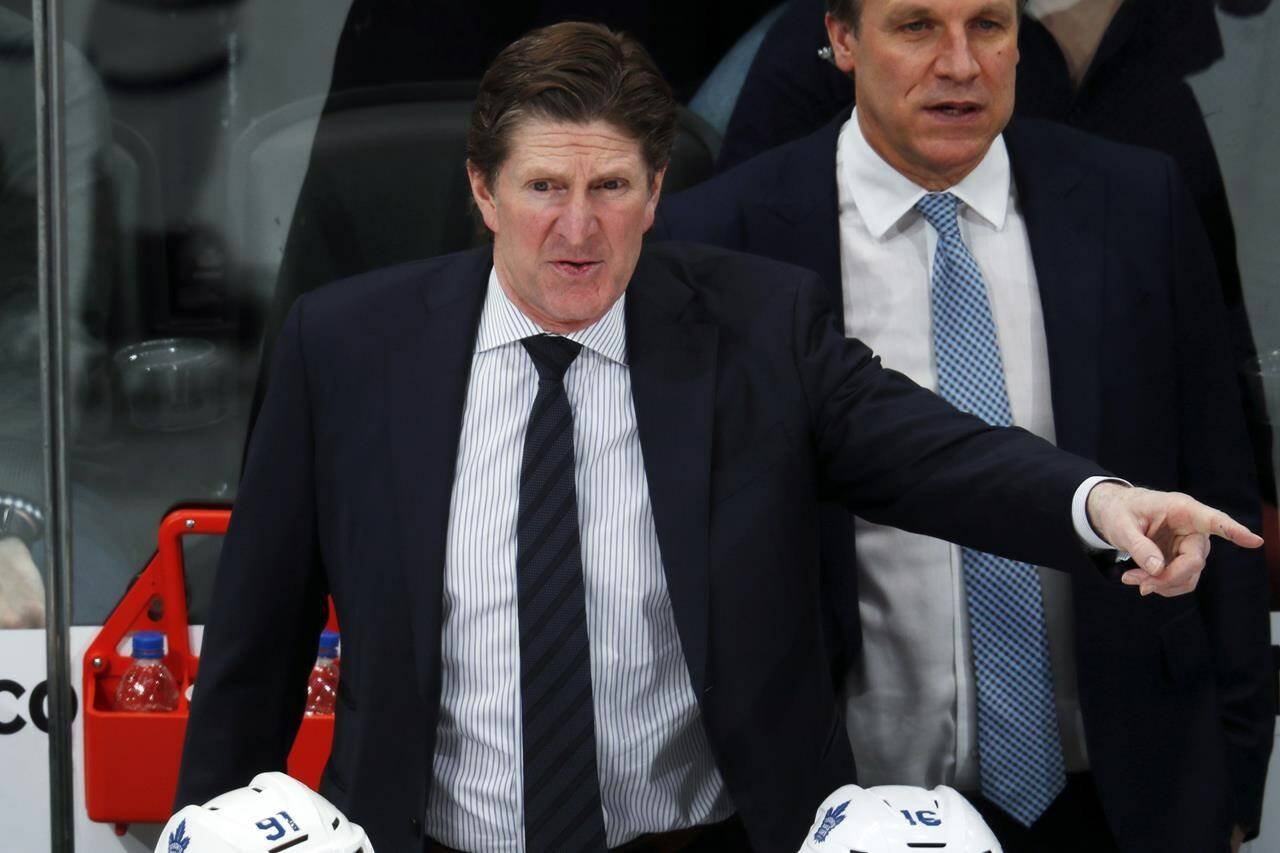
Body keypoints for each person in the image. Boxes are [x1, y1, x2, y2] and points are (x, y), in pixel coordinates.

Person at [176, 21, 1262, 853]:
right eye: (544, 187)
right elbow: (253, 648)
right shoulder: (349, 350)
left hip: (701, 837)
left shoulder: (754, 326)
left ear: (655, 193)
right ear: (481, 192)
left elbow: (933, 451)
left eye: (609, 187)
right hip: (432, 837)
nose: (576, 226)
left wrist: (1096, 504)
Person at [653, 1, 1272, 851]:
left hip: (1128, 800)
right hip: (849, 814)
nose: (960, 63)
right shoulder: (723, 239)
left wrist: (1236, 776)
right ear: (840, 40)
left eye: (987, 24)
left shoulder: (1136, 203)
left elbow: (1218, 481)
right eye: (915, 27)